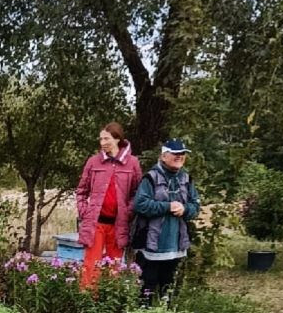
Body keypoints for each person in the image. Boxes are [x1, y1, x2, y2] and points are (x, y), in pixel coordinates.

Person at [132, 139, 200, 303]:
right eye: (175, 153)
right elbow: (140, 205)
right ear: (163, 156)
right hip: (152, 246)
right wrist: (167, 206)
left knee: (167, 291)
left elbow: (195, 206)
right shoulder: (150, 178)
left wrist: (185, 209)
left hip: (176, 246)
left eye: (183, 154)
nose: (180, 157)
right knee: (146, 291)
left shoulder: (186, 179)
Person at [76, 122, 142, 290]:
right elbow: (81, 191)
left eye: (106, 138)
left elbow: (137, 193)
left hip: (118, 224)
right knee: (91, 266)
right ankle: (88, 302)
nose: (102, 142)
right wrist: (85, 212)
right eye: (101, 139)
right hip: (95, 223)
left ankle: (109, 304)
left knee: (114, 266)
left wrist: (128, 212)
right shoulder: (93, 162)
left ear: (117, 139)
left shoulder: (132, 163)